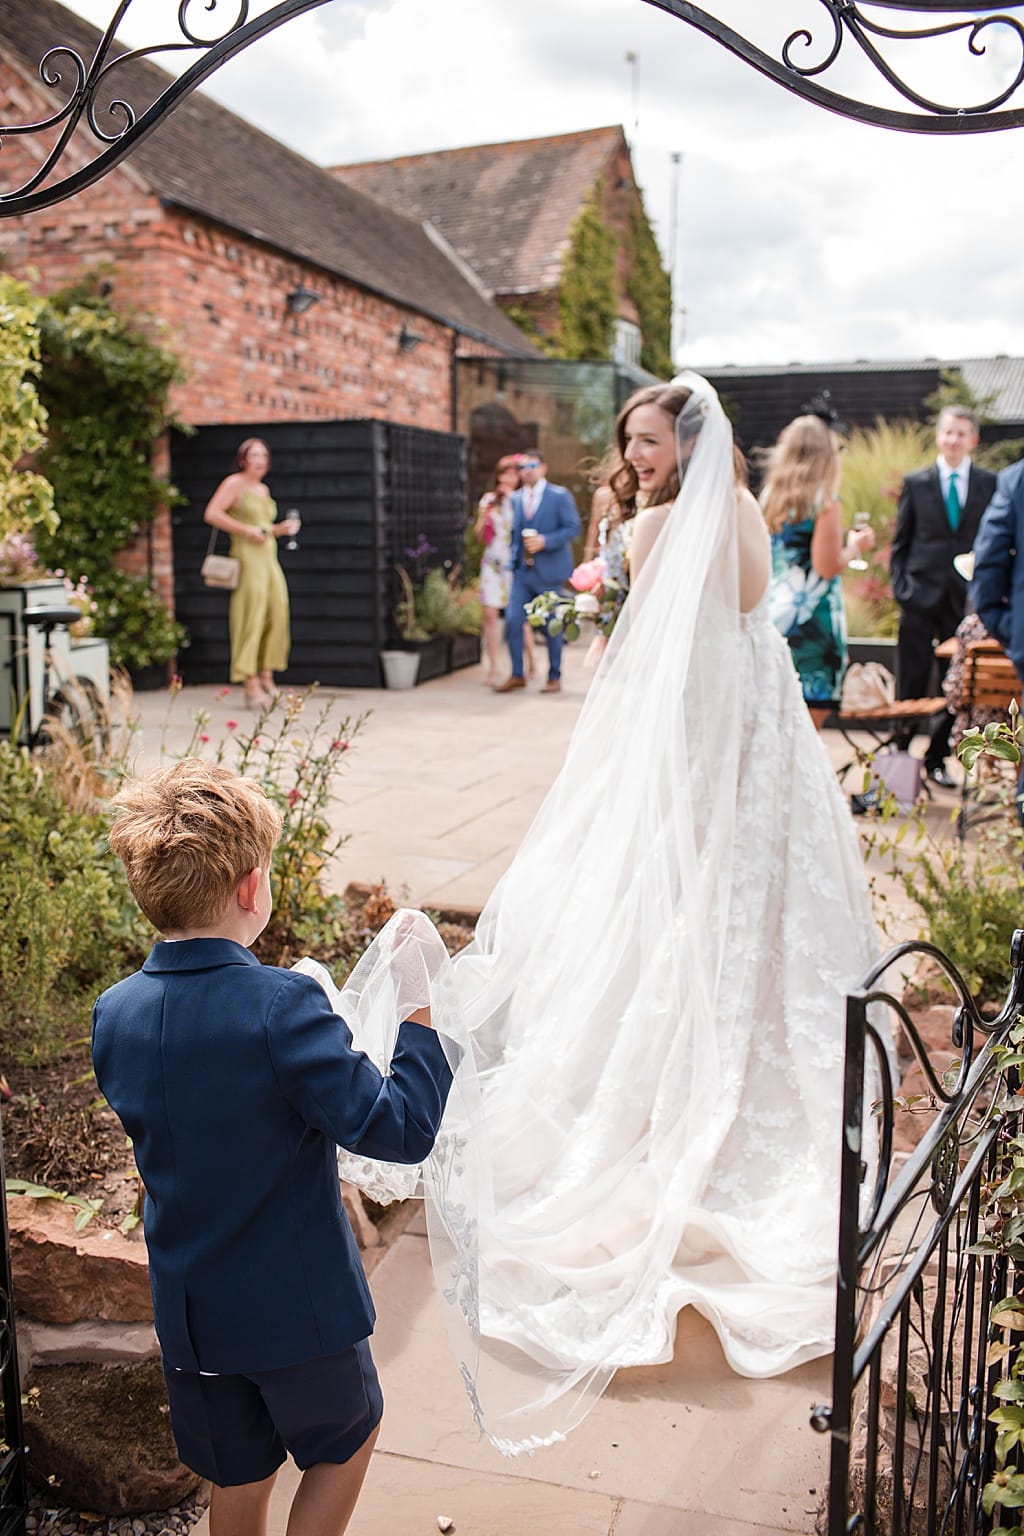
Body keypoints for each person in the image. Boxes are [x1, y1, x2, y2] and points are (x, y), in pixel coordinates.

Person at [339, 373, 885, 1454]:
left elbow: (701, 618)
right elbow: (720, 615)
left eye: (646, 440)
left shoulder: (682, 515)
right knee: (699, 902)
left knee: (738, 899)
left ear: (685, 440)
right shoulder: (691, 514)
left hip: (731, 720)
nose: (634, 455)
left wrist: (668, 532)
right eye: (629, 441)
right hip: (718, 717)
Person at [92, 759, 456, 1536]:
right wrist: (421, 1005)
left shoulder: (113, 1014)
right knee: (346, 1442)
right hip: (299, 1316)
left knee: (239, 1472)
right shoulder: (282, 1006)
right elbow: (399, 1129)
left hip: (192, 1316)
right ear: (253, 889)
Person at [890, 407, 997, 786]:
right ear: (939, 435)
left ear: (973, 439)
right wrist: (902, 590)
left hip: (964, 601)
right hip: (918, 596)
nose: (953, 439)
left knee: (957, 683)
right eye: (947, 432)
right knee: (912, 681)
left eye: (961, 433)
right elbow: (900, 543)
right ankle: (900, 764)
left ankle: (936, 758)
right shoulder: (917, 482)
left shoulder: (989, 483)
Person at [761, 413, 874, 729]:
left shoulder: (770, 499)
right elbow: (825, 567)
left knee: (778, 721)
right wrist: (855, 546)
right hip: (812, 624)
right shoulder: (824, 501)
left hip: (775, 615)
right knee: (808, 727)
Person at [203, 438, 299, 709]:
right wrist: (246, 530)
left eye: (263, 456)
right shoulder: (234, 483)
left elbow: (263, 526)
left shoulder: (263, 489)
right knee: (251, 615)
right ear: (243, 459)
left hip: (269, 556)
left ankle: (268, 675)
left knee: (277, 612)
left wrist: (279, 529)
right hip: (247, 557)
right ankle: (250, 682)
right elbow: (212, 514)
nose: (259, 460)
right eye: (253, 455)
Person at [494, 451, 580, 695]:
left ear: (543, 468)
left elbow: (572, 527)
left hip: (550, 572)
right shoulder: (517, 498)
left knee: (552, 625)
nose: (526, 470)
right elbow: (515, 532)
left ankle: (554, 676)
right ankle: (517, 674)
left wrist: (545, 541)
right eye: (522, 467)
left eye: (531, 465)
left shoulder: (559, 496)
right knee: (513, 621)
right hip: (523, 572)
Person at [474, 455, 536, 685]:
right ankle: (493, 667)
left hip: (513, 565)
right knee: (490, 615)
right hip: (492, 563)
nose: (507, 478)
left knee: (518, 617)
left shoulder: (522, 500)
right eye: (503, 473)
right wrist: (484, 516)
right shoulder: (489, 500)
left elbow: (527, 531)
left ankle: (530, 659)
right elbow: (480, 536)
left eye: (512, 473)